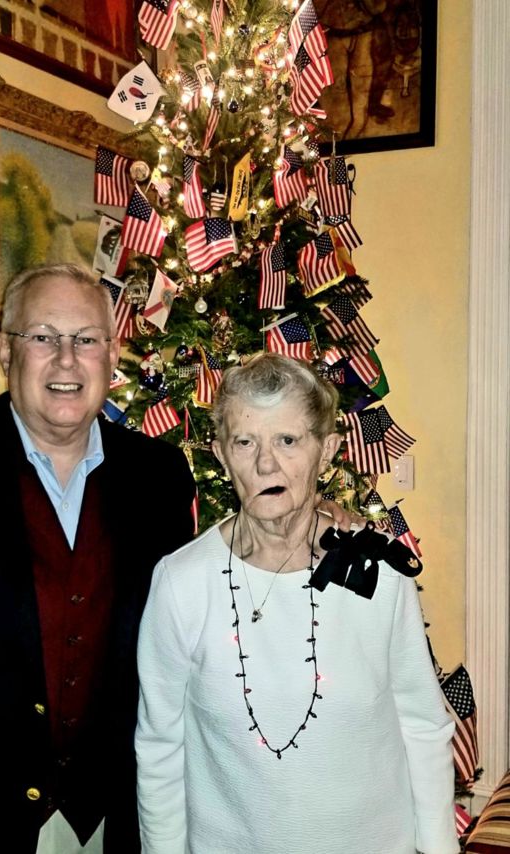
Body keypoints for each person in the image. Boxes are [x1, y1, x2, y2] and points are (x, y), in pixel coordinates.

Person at [0, 263, 197, 854]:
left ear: (113, 354)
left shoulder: (159, 477)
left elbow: (199, 606)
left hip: (114, 816)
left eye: (87, 339)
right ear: (5, 350)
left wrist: (311, 520)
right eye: (43, 336)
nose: (67, 361)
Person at [136, 353, 460, 854]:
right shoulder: (181, 582)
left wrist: (438, 848)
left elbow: (422, 724)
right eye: (245, 442)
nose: (266, 464)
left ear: (326, 451)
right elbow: (160, 745)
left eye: (288, 440)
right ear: (221, 455)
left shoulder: (377, 572)